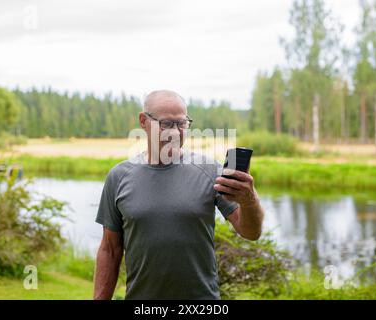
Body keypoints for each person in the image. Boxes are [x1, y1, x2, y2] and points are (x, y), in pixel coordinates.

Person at [93, 90, 264, 300]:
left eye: (182, 124)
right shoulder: (119, 176)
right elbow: (110, 250)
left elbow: (250, 232)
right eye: (166, 124)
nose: (175, 132)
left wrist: (250, 200)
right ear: (143, 121)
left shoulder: (210, 170)